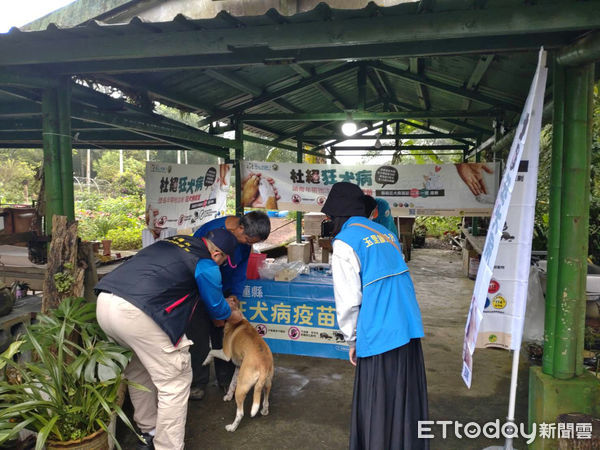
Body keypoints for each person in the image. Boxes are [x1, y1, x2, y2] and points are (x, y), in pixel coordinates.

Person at [95, 229, 243, 450]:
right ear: (218, 255)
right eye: (223, 261)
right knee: (175, 380)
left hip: (106, 303)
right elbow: (215, 306)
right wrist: (232, 314)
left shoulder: (175, 242)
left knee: (139, 372)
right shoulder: (206, 263)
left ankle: (149, 432)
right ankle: (168, 446)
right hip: (139, 313)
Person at [321, 182, 429, 450]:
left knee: (379, 400)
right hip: (408, 327)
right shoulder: (385, 233)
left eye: (330, 217)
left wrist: (352, 339)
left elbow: (348, 301)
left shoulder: (345, 243)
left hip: (380, 332)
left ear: (337, 216)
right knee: (405, 397)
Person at [188, 211, 271, 400]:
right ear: (240, 228)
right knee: (198, 336)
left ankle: (225, 381)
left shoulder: (245, 243)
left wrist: (235, 295)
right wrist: (215, 308)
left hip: (224, 290)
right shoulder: (209, 232)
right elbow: (195, 264)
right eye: (248, 240)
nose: (249, 245)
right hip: (200, 286)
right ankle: (197, 383)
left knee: (225, 334)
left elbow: (240, 271)